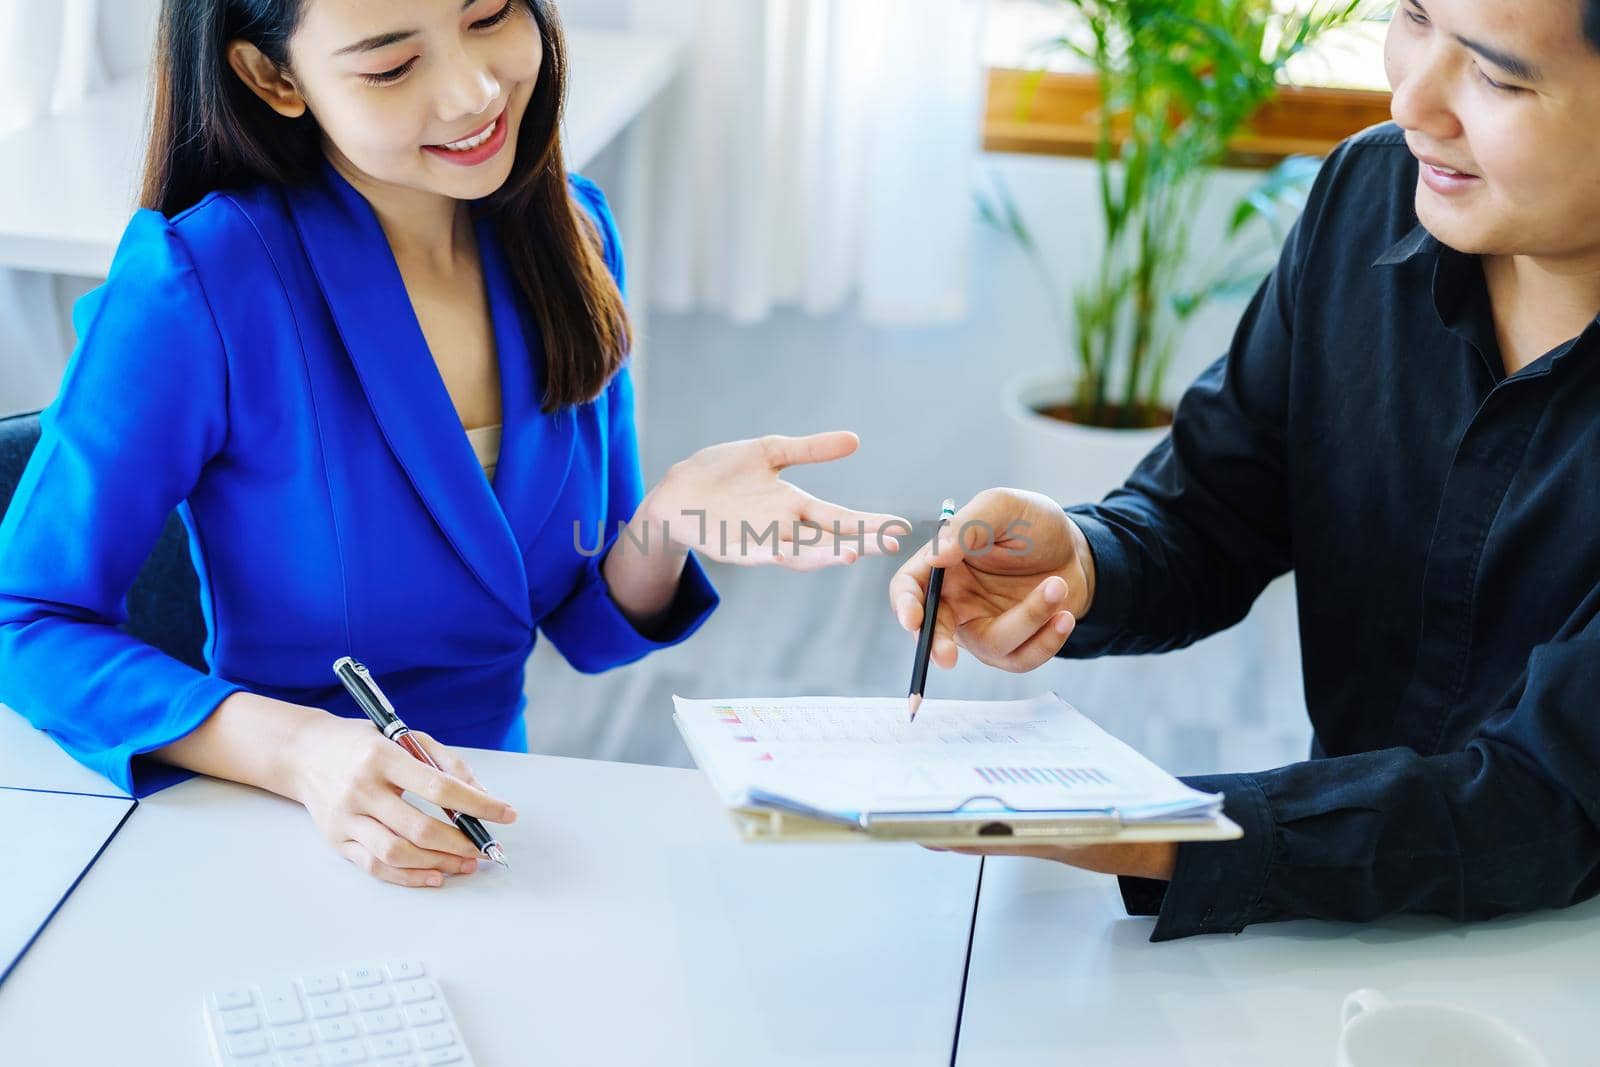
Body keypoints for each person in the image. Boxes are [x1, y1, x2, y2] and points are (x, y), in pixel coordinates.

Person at [0, 0, 902, 889]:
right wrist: (305, 751)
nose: (474, 93)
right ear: (273, 76)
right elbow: (25, 620)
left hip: (496, 819)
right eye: (392, 65)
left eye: (491, 15)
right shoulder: (200, 284)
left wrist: (668, 521)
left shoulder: (574, 231)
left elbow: (585, 620)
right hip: (282, 825)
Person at [890, 0, 1600, 940]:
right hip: (1339, 912)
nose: (1413, 99)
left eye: (1497, 77)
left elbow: (1547, 798)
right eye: (1414, 16)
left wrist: (1146, 825)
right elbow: (1214, 506)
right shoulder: (1370, 196)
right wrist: (1083, 559)